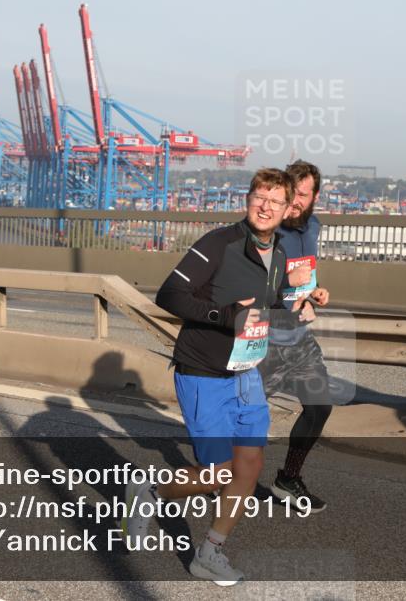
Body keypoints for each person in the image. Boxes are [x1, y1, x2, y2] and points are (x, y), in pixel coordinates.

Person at [124, 167, 301, 586]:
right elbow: (169, 294)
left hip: (247, 373)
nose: (265, 206)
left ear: (288, 209)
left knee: (249, 465)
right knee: (221, 472)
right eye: (260, 196)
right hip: (203, 372)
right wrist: (224, 317)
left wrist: (301, 297)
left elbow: (269, 305)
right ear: (248, 199)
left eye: (275, 201)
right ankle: (152, 493)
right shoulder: (218, 243)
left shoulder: (279, 254)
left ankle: (210, 553)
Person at [258, 160, 334, 513]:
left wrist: (315, 292)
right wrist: (288, 287)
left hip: (299, 336)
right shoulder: (267, 231)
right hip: (264, 339)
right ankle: (217, 474)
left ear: (315, 196)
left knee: (319, 407)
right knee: (249, 419)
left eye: (303, 195)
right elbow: (254, 289)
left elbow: (306, 276)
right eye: (291, 194)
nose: (295, 202)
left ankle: (287, 478)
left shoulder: (314, 225)